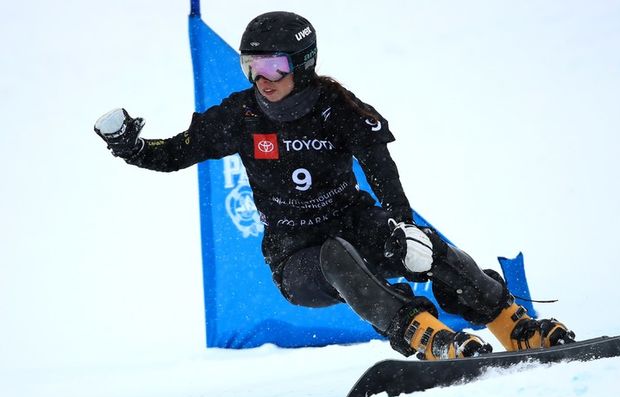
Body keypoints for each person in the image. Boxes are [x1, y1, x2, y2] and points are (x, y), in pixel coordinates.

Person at [94, 11, 575, 360]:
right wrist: (131, 147)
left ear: (302, 64)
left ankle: (513, 325)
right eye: (251, 66)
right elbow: (174, 154)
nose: (263, 79)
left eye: (274, 66)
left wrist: (405, 228)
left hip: (353, 220)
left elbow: (381, 169)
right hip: (294, 254)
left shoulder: (336, 105)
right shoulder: (239, 115)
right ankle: (424, 334)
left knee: (427, 246)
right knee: (334, 255)